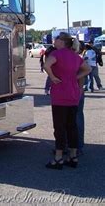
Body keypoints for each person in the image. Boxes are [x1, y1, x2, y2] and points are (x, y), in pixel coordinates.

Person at [43, 32, 91, 169]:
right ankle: (73, 156)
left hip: (60, 95)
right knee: (72, 127)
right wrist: (75, 78)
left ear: (61, 41)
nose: (54, 41)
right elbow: (87, 69)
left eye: (56, 39)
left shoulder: (57, 54)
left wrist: (52, 77)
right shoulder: (75, 56)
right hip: (73, 94)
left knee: (59, 127)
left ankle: (58, 158)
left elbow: (46, 66)